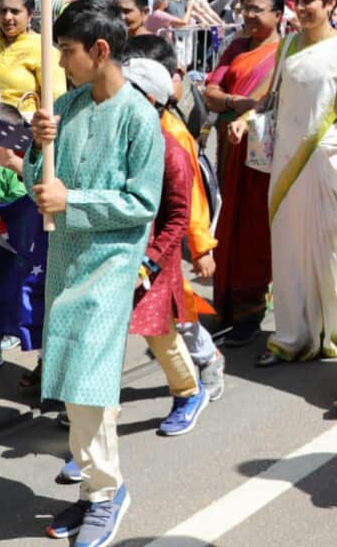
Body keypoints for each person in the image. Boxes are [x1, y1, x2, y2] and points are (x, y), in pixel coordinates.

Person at [27, 0, 163, 545]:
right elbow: (43, 183)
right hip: (65, 261)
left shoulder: (139, 116)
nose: (60, 62)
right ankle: (92, 491)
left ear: (100, 50)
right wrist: (39, 150)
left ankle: (106, 493)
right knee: (74, 384)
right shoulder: (71, 104)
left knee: (89, 380)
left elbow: (142, 202)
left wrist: (71, 201)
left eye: (67, 50)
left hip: (110, 263)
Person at [226, 0, 337, 367]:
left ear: (332, 4)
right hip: (286, 160)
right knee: (289, 248)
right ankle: (291, 338)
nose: (304, 7)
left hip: (328, 158)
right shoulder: (288, 44)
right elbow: (270, 98)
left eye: (312, 0)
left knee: (331, 248)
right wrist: (246, 118)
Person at [123, 36, 226, 401]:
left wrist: (201, 247)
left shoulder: (173, 135)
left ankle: (206, 358)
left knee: (174, 304)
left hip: (163, 238)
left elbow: (191, 198)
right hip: (132, 234)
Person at [203, 0, 282, 347]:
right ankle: (225, 307)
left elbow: (273, 101)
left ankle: (250, 310)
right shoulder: (235, 47)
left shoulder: (285, 53)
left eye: (258, 10)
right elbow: (210, 92)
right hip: (229, 147)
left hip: (262, 150)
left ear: (279, 15)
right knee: (226, 223)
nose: (249, 16)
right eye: (246, 9)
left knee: (252, 228)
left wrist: (244, 110)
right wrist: (237, 100)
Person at [0, 0, 65, 115]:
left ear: (30, 15)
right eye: (3, 10)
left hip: (24, 129)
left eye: (15, 11)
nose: (7, 17)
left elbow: (58, 101)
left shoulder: (44, 49)